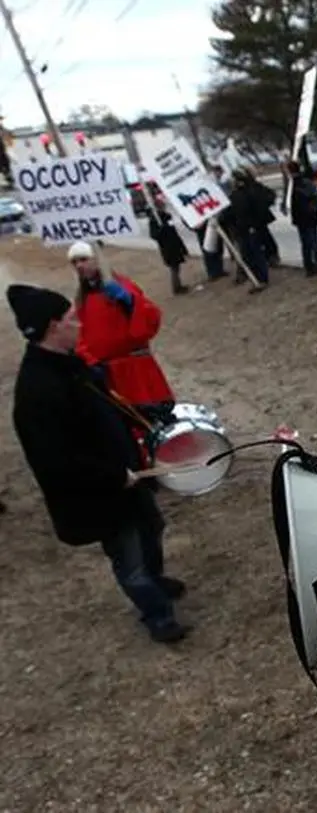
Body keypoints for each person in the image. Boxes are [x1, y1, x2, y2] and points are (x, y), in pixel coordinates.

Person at [8, 283, 189, 644]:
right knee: (129, 557)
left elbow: (109, 404)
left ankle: (157, 579)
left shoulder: (70, 365)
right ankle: (157, 615)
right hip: (101, 494)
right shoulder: (38, 392)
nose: (80, 325)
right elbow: (55, 462)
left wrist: (149, 414)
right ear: (52, 326)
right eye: (72, 319)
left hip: (127, 477)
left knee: (152, 527)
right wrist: (111, 475)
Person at [69, 240, 175, 428]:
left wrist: (130, 302)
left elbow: (150, 320)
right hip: (109, 374)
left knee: (153, 423)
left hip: (136, 370)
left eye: (83, 259)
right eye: (74, 262)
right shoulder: (81, 299)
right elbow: (79, 336)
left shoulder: (122, 287)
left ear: (96, 260)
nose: (79, 266)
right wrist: (90, 362)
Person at [146, 195, 191, 296]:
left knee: (177, 267)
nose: (164, 207)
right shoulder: (154, 220)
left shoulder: (167, 216)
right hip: (167, 247)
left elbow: (174, 231)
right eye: (162, 205)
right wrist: (162, 229)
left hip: (175, 244)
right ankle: (176, 287)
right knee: (174, 268)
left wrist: (182, 247)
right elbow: (154, 235)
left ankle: (178, 285)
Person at [287, 160, 317, 276]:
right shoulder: (306, 183)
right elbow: (316, 196)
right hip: (311, 217)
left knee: (306, 243)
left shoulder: (292, 185)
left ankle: (310, 266)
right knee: (313, 241)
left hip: (301, 218)